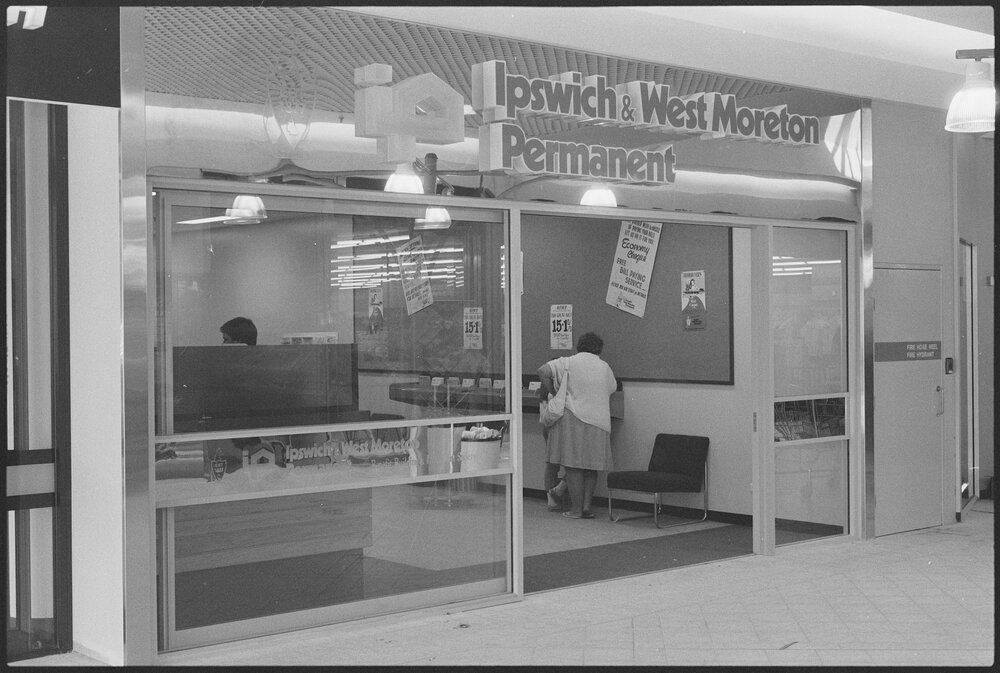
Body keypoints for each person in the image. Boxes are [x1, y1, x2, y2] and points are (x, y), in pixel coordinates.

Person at [538, 332, 617, 519]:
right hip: (600, 421)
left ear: (579, 346)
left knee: (573, 467)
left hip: (573, 418)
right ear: (599, 348)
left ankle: (575, 509)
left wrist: (555, 391)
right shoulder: (605, 367)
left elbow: (543, 371)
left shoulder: (568, 362)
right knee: (591, 467)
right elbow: (612, 388)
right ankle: (587, 507)